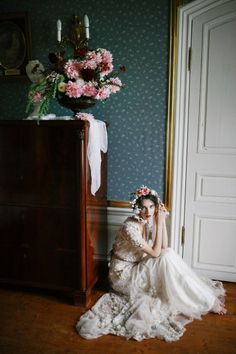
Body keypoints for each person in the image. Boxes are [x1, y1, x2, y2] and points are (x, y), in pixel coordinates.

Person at [76, 185, 226, 342]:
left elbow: (164, 247)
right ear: (136, 208)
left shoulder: (146, 220)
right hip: (123, 275)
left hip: (137, 265)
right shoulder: (130, 228)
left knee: (168, 255)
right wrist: (159, 223)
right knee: (166, 258)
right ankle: (205, 301)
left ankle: (203, 298)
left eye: (151, 207)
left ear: (156, 207)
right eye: (143, 208)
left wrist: (160, 221)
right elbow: (155, 253)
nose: (148, 212)